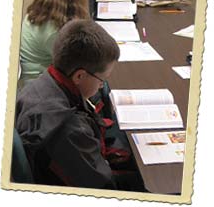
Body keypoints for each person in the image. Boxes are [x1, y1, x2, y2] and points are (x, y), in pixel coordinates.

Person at [15, 19, 146, 191]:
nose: (101, 85)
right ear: (79, 76)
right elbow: (104, 186)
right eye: (102, 79)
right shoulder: (69, 130)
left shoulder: (39, 83)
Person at [19, 0, 90, 88]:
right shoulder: (54, 32)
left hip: (33, 80)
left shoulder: (38, 11)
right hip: (38, 89)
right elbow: (77, 66)